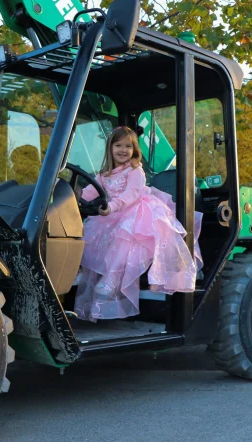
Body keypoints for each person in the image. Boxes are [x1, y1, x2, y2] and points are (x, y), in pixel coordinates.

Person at [74, 126, 202, 322]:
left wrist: (113, 206)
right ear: (110, 148)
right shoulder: (104, 174)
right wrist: (73, 196)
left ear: (134, 150)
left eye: (128, 146)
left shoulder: (135, 171)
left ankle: (112, 279)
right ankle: (80, 271)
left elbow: (131, 194)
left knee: (125, 235)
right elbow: (92, 191)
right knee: (87, 233)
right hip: (111, 213)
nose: (123, 150)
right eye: (118, 145)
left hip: (134, 210)